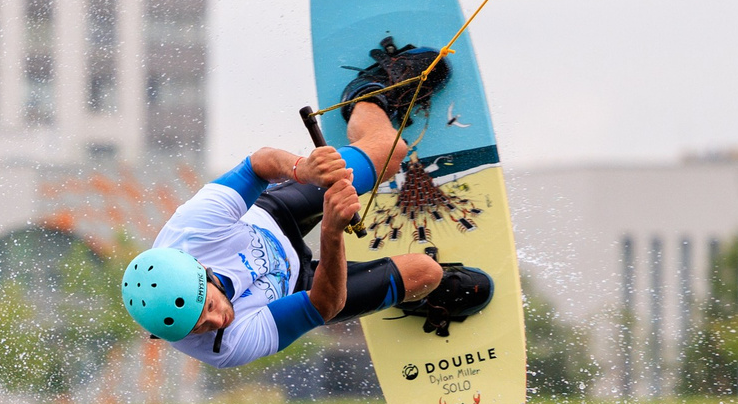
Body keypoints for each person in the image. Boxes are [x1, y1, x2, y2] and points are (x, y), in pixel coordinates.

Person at [121, 86, 494, 370]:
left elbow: (259, 164)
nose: (218, 321)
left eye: (210, 307)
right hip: (301, 287)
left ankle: (365, 95)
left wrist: (305, 170)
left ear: (204, 271)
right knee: (427, 274)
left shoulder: (192, 230)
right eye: (199, 328)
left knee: (391, 153)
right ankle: (419, 300)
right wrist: (332, 232)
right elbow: (324, 306)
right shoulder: (224, 348)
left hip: (275, 216)